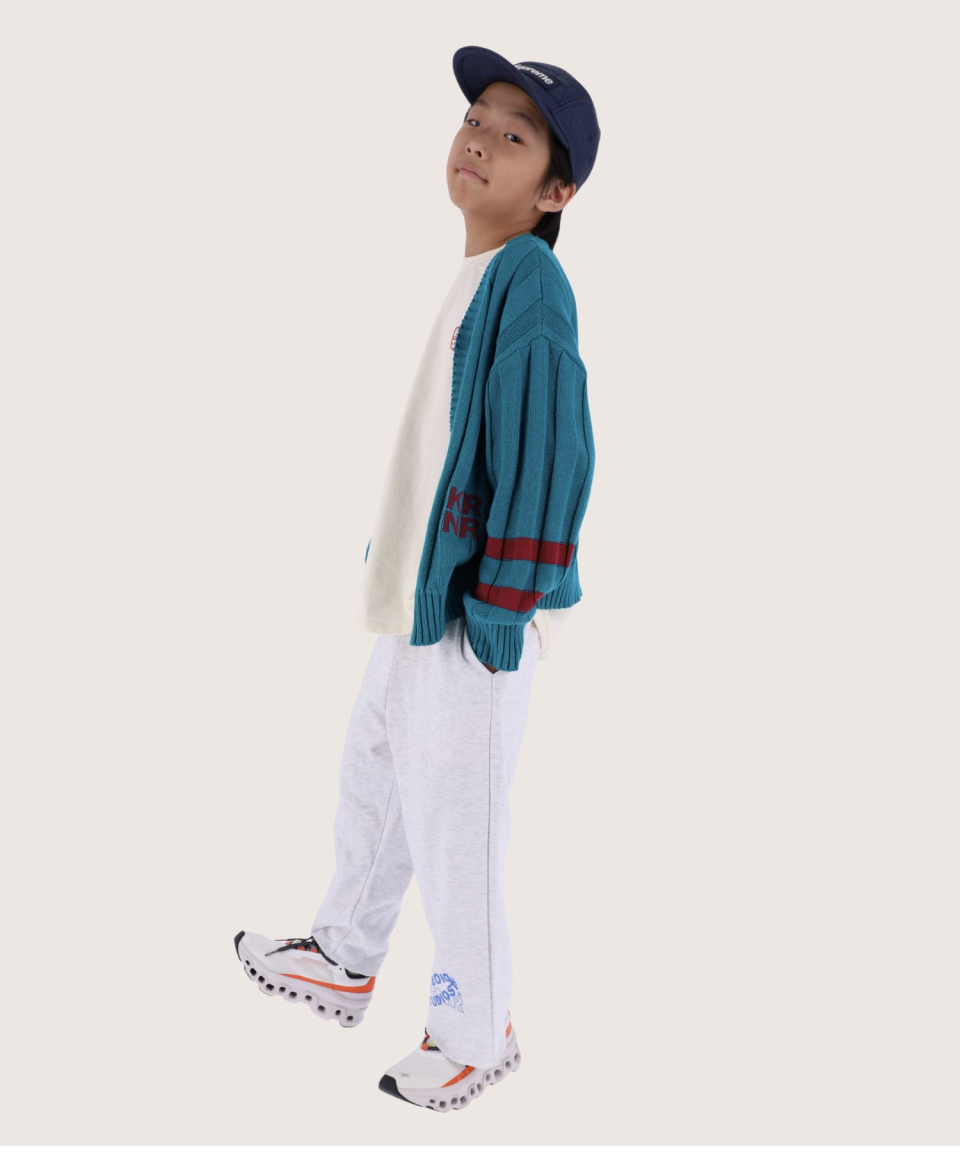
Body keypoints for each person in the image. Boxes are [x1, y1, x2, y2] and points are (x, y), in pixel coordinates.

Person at [233, 44, 601, 1113]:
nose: (479, 138)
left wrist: (502, 602)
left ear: (556, 192)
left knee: (455, 823)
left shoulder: (533, 283)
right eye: (476, 119)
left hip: (479, 611)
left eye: (514, 135)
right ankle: (344, 954)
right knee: (378, 770)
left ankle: (476, 1031)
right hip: (425, 597)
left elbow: (553, 452)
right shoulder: (481, 273)